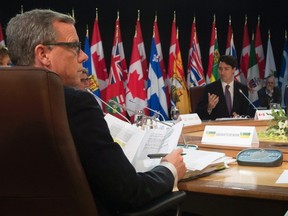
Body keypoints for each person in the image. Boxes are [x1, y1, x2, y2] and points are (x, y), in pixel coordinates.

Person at [6, 9, 186, 215]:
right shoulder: (75, 104)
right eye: (74, 47)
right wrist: (169, 169)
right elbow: (128, 192)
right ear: (43, 54)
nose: (83, 56)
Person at [196, 55, 250, 120]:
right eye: (220, 69)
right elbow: (198, 114)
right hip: (217, 128)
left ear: (233, 70)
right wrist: (209, 108)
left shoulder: (242, 89)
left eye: (226, 69)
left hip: (237, 127)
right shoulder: (210, 89)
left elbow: (247, 114)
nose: (222, 72)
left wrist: (240, 117)